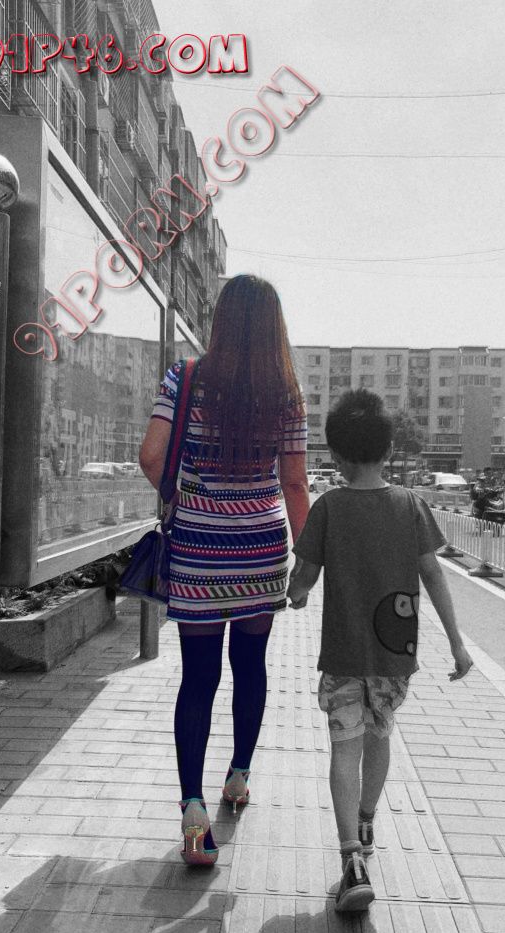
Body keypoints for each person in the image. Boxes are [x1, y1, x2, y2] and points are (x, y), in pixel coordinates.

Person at [138, 275, 310, 866]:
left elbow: (151, 455)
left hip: (199, 550)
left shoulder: (185, 378)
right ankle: (238, 776)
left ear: (220, 320)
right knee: (251, 666)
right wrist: (309, 563)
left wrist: (186, 498)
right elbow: (294, 484)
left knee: (199, 677)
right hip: (260, 550)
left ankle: (193, 812)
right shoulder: (286, 394)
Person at [286, 390, 473, 913]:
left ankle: (351, 859)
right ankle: (367, 819)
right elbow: (433, 574)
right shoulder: (411, 505)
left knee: (344, 748)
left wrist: (296, 594)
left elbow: (304, 577)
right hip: (395, 654)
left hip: (344, 653)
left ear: (336, 455)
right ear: (389, 450)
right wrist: (456, 643)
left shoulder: (328, 508)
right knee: (380, 734)